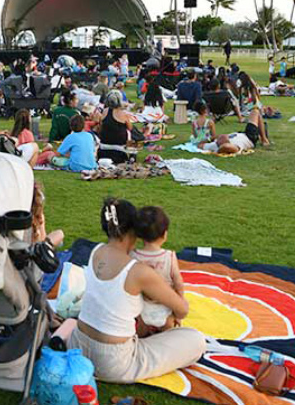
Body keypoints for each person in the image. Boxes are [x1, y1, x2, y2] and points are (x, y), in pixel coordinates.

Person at [70, 198, 204, 383]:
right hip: (113, 362)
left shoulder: (96, 251)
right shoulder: (137, 271)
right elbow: (182, 310)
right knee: (195, 340)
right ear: (133, 229)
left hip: (77, 347)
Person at [130, 206, 185, 336]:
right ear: (165, 234)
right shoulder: (169, 257)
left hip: (141, 310)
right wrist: (179, 307)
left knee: (141, 339)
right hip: (166, 308)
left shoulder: (133, 256)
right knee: (168, 336)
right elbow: (178, 283)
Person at [200, 106, 269, 154]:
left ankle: (263, 135)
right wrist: (220, 147)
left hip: (240, 133)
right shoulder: (231, 146)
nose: (221, 136)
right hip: (249, 136)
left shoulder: (213, 144)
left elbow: (199, 144)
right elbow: (226, 147)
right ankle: (264, 139)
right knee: (255, 112)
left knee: (256, 112)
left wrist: (211, 139)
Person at [97, 90, 134, 163]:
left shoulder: (104, 112)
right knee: (132, 132)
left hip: (103, 149)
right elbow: (130, 128)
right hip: (119, 150)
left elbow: (100, 127)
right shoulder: (123, 114)